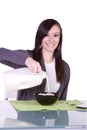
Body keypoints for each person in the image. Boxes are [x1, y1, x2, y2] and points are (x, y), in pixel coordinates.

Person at [0, 19, 70, 100]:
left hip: (52, 112)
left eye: (55, 35)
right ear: (40, 37)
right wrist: (26, 60)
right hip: (27, 112)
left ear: (60, 38)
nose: (51, 40)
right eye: (46, 35)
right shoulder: (28, 57)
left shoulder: (65, 67)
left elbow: (62, 102)